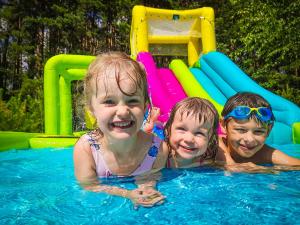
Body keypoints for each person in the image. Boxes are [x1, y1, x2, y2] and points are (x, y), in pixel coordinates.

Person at [73, 52, 168, 208]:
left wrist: (147, 189)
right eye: (109, 102)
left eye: (132, 101)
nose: (123, 111)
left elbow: (149, 178)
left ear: (145, 107)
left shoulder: (158, 149)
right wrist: (126, 194)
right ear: (91, 110)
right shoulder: (86, 149)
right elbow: (89, 186)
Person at [216, 92, 300, 172]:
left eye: (258, 131)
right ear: (223, 125)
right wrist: (231, 164)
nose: (250, 139)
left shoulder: (266, 154)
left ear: (269, 130)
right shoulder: (214, 146)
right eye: (241, 130)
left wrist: (262, 170)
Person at [162, 97, 219, 168]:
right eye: (181, 129)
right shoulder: (161, 157)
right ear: (168, 129)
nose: (188, 139)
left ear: (210, 138)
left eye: (199, 133)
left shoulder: (207, 163)